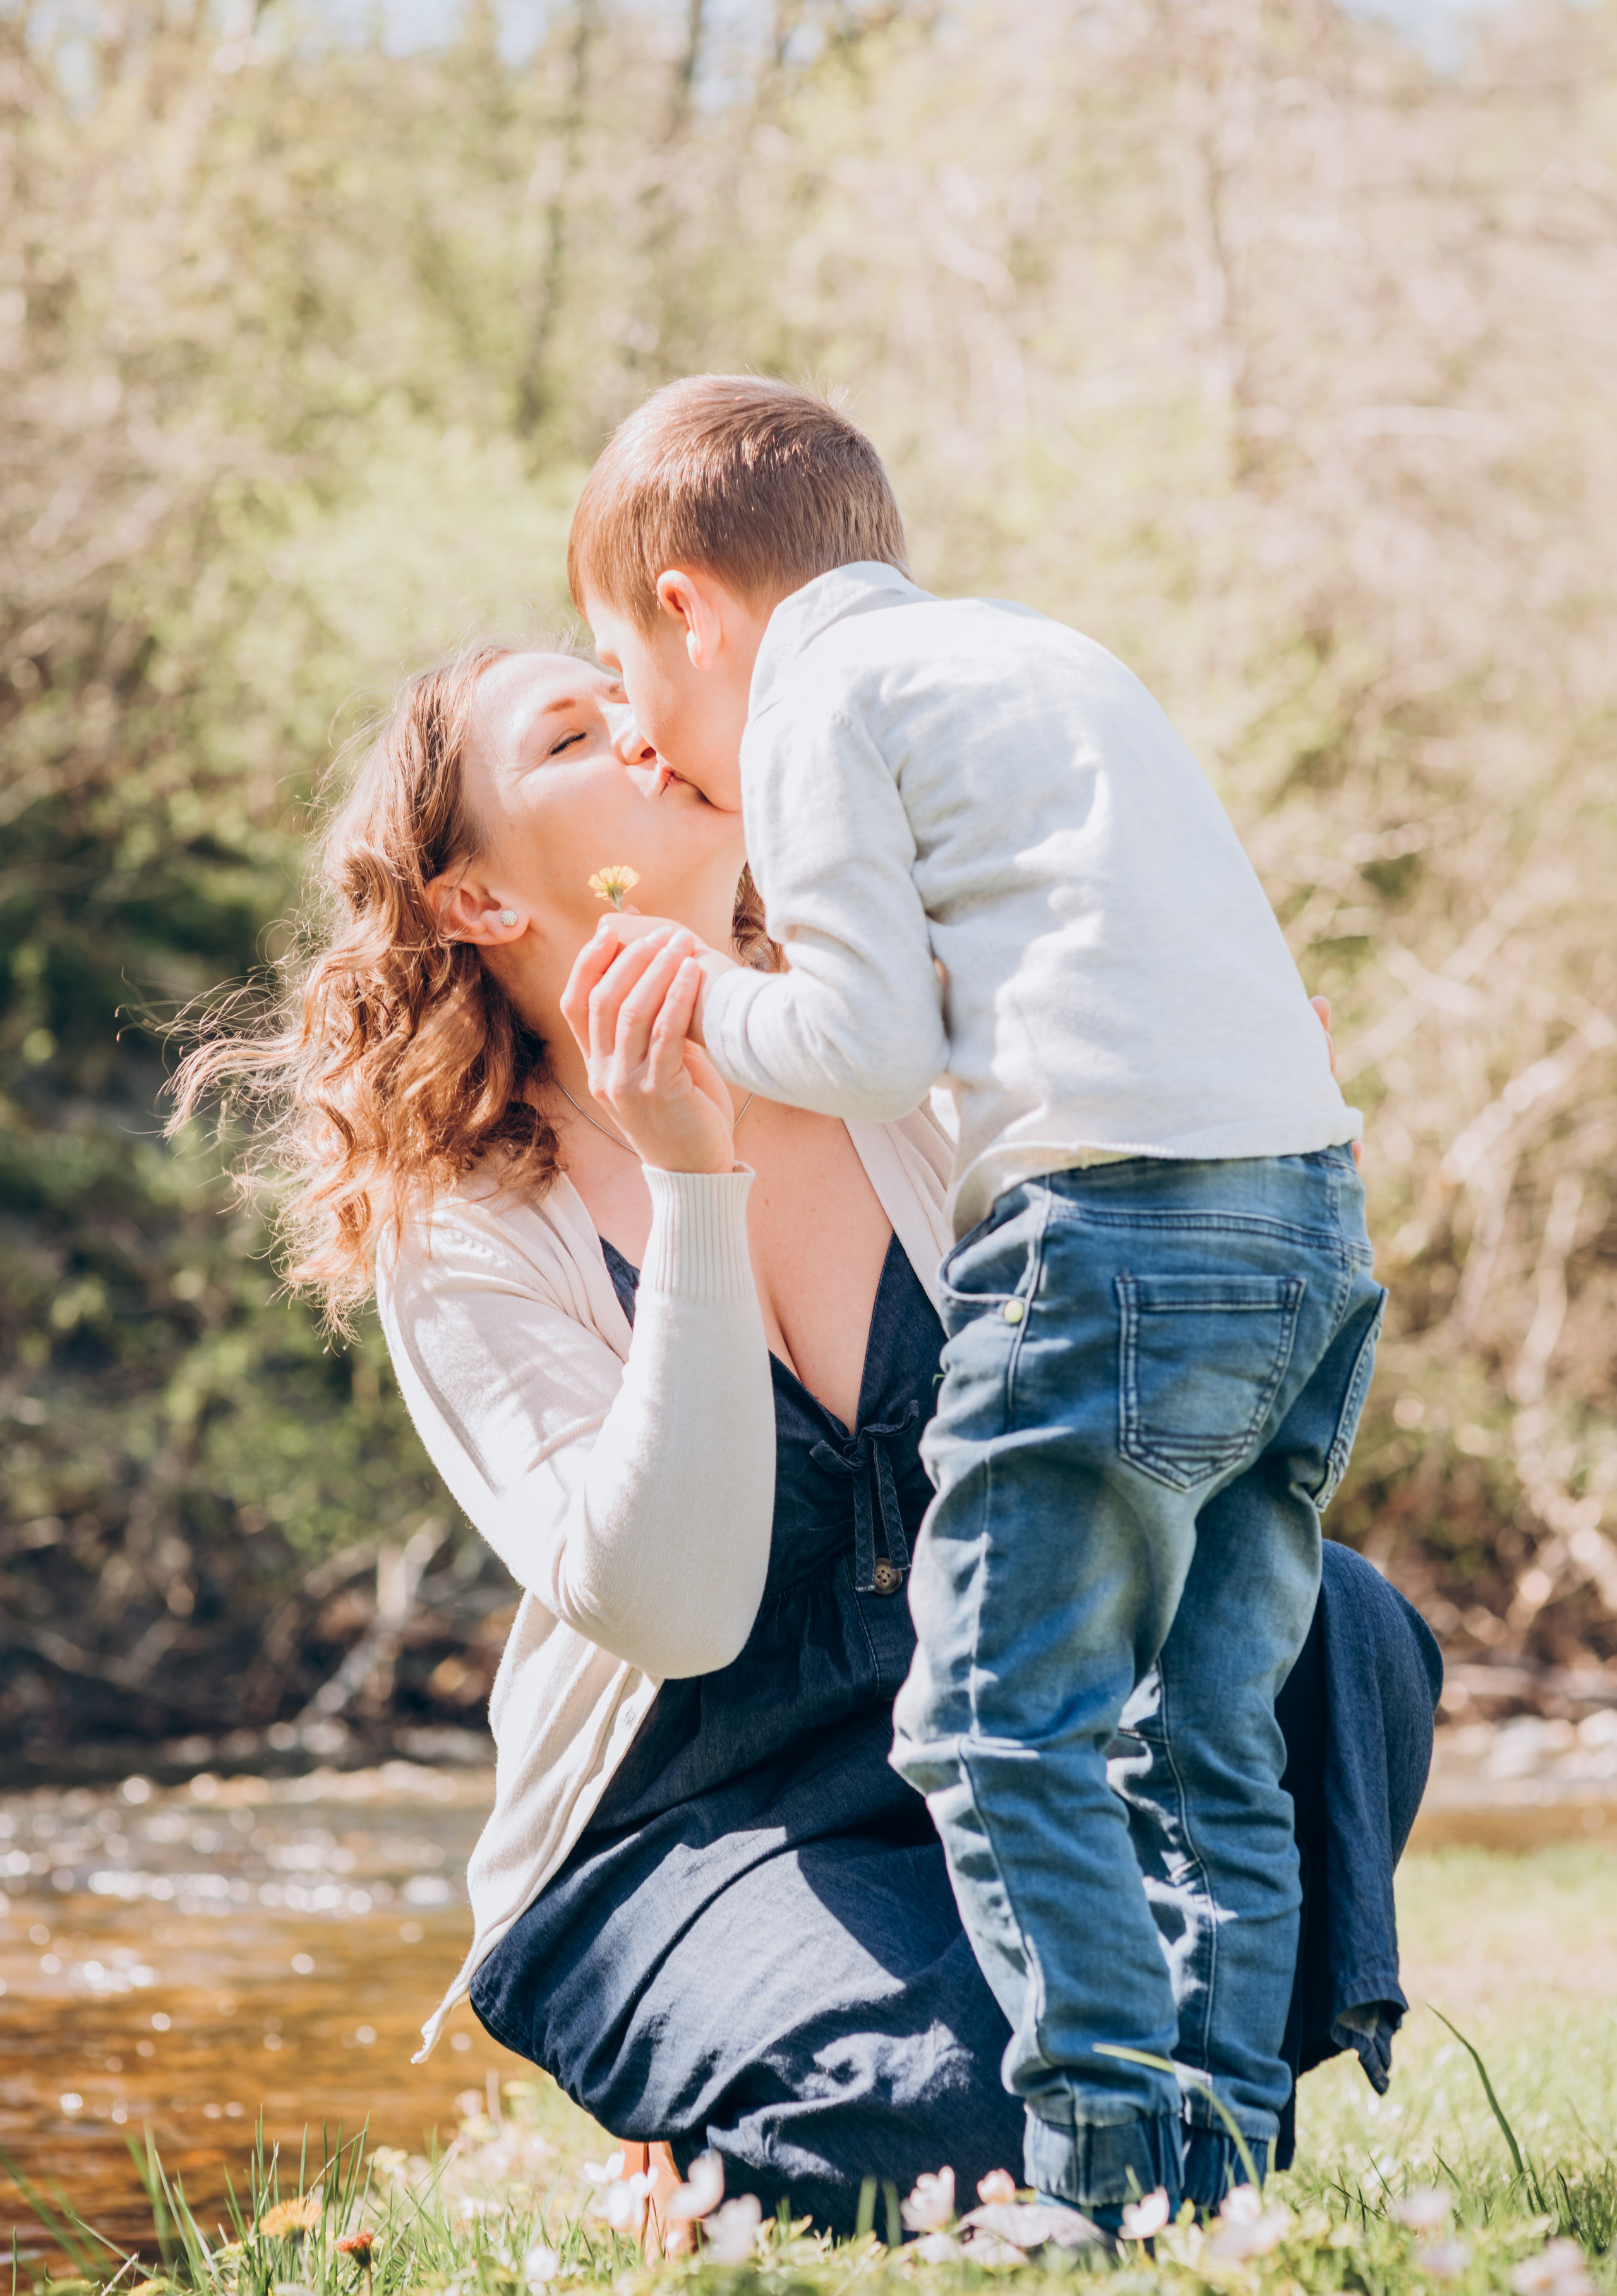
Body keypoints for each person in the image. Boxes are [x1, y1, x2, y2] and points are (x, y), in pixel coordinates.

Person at [168, 642, 1436, 2238]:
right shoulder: (469, 1230)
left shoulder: (909, 1055)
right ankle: (720, 2097)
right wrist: (694, 1188)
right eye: (573, 736)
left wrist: (1245, 1160)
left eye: (632, 704)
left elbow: (1193, 1423)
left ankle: (1150, 2112)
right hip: (702, 1817)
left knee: (1344, 1639)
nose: (643, 736)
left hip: (1004, 1733)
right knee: (955, 2123)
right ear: (476, 897)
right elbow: (679, 1610)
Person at [566, 376, 1388, 2221]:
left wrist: (688, 998)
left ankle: (1106, 2190)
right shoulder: (1039, 653)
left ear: (691, 603)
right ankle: (1231, 2169)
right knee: (1208, 1734)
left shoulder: (813, 698)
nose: (640, 732)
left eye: (621, 668)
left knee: (991, 1724)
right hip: (1308, 1221)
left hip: (1108, 1243)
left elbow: (866, 1043)